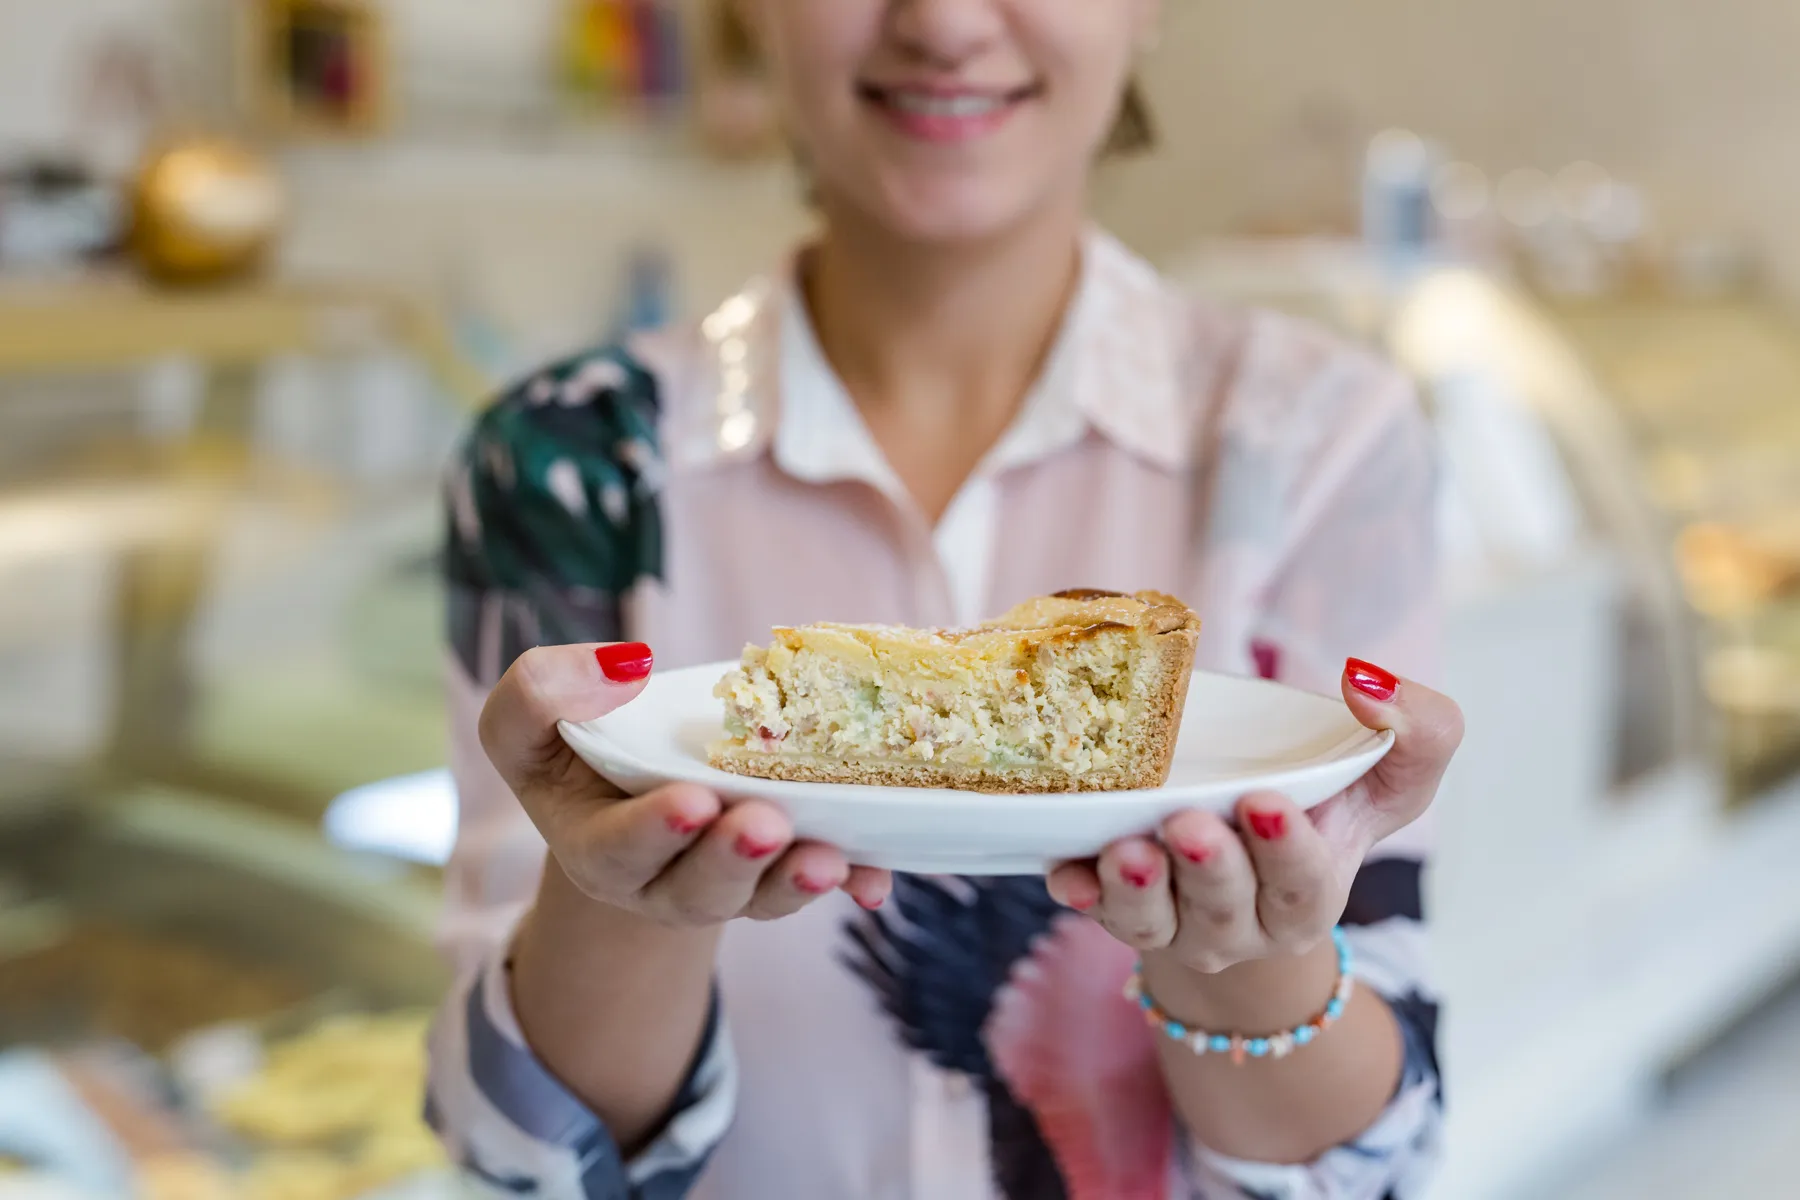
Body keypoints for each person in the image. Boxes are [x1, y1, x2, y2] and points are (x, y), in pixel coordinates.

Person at [424, 1, 1465, 1197]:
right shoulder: (567, 464)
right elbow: (513, 1156)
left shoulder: (1321, 438)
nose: (945, 22)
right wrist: (624, 902)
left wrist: (1244, 950)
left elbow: (1378, 1169)